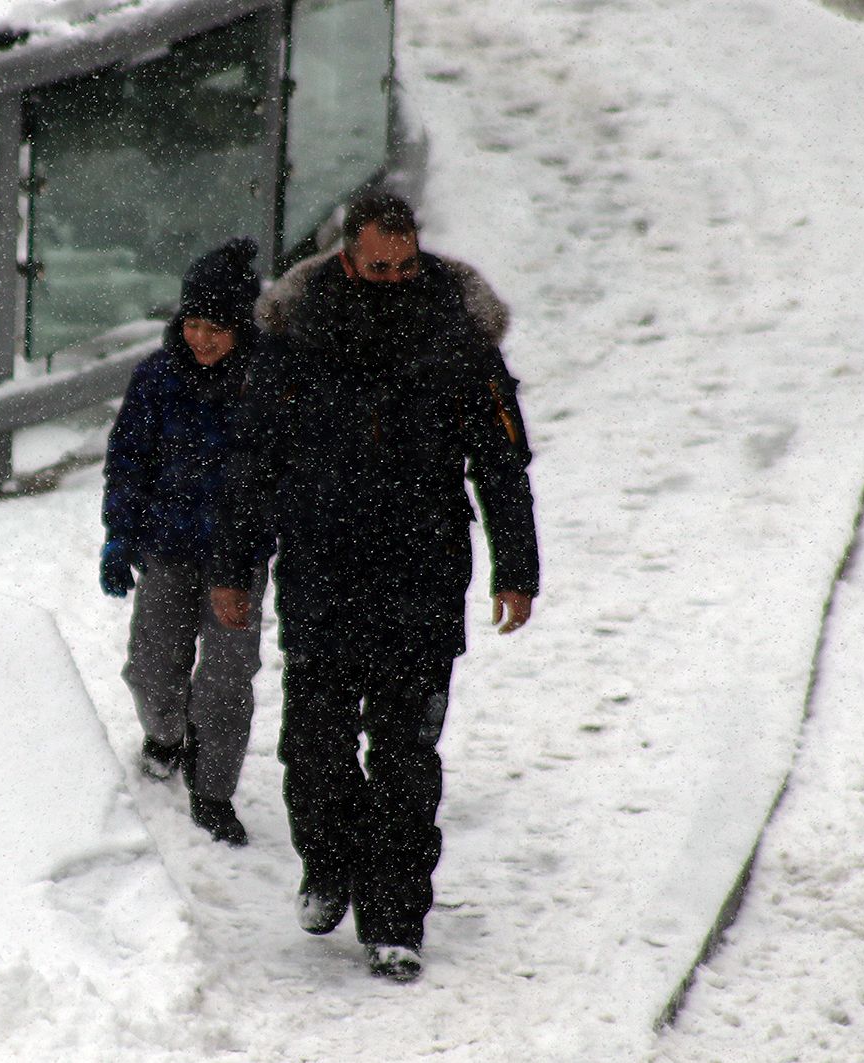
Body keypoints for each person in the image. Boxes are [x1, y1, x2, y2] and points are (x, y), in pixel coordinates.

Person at [208, 192, 539, 982]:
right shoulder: (294, 337)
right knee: (314, 747)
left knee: (405, 754)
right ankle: (328, 864)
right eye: (377, 264)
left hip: (422, 574)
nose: (393, 278)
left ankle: (395, 916)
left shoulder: (458, 338)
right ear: (348, 256)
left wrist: (517, 568)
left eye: (405, 263)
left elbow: (501, 460)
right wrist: (231, 567)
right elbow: (253, 461)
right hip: (321, 571)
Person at [101, 236, 271, 848]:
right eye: (193, 324)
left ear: (240, 327)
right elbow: (128, 461)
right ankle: (166, 734)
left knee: (226, 680)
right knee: (152, 667)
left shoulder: (266, 380)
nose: (202, 339)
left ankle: (214, 789)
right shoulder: (156, 378)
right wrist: (120, 536)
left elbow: (282, 469)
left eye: (216, 328)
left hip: (240, 558)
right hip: (167, 548)